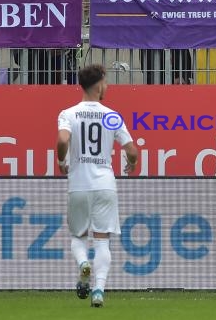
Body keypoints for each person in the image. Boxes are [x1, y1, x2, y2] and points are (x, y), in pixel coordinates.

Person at [56, 64, 138, 307]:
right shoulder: (111, 115)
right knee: (102, 240)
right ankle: (99, 290)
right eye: (106, 81)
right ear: (100, 83)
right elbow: (132, 150)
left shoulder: (68, 113)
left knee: (78, 235)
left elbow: (62, 139)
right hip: (105, 184)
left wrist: (62, 159)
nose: (108, 86)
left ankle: (83, 264)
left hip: (79, 184)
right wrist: (131, 163)